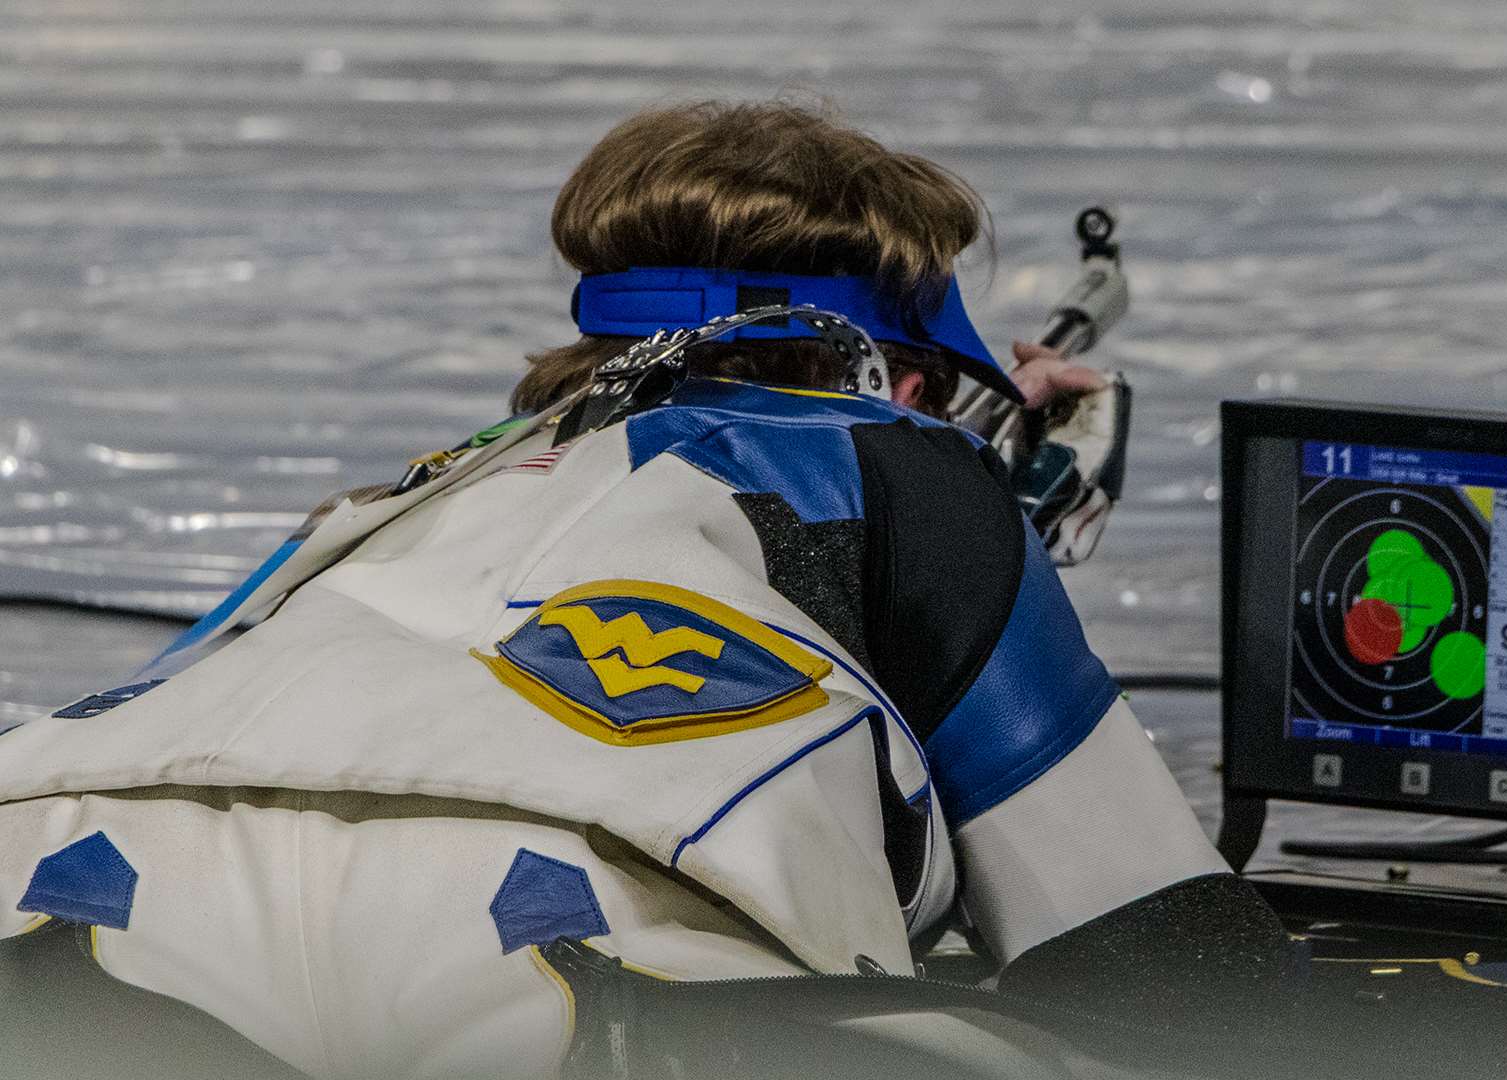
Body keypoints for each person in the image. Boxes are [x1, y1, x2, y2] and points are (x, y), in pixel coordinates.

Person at [0, 100, 1297, 1079]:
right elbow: (1165, 964)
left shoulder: (405, 499)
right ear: (892, 376)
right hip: (561, 971)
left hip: (53, 914)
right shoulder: (908, 468)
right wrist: (982, 513)